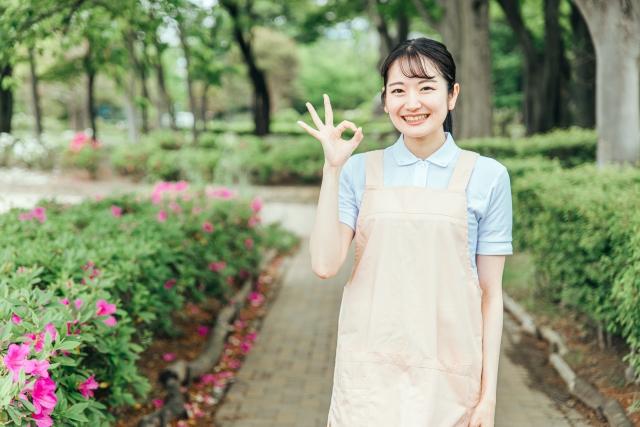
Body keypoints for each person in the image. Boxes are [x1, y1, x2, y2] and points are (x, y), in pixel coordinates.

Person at [297, 37, 512, 427]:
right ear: (385, 100)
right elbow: (325, 264)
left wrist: (489, 395)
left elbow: (491, 294)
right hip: (369, 378)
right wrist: (333, 170)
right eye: (398, 90)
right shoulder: (359, 171)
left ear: (452, 95)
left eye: (426, 87)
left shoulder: (488, 176)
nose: (412, 103)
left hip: (450, 376)